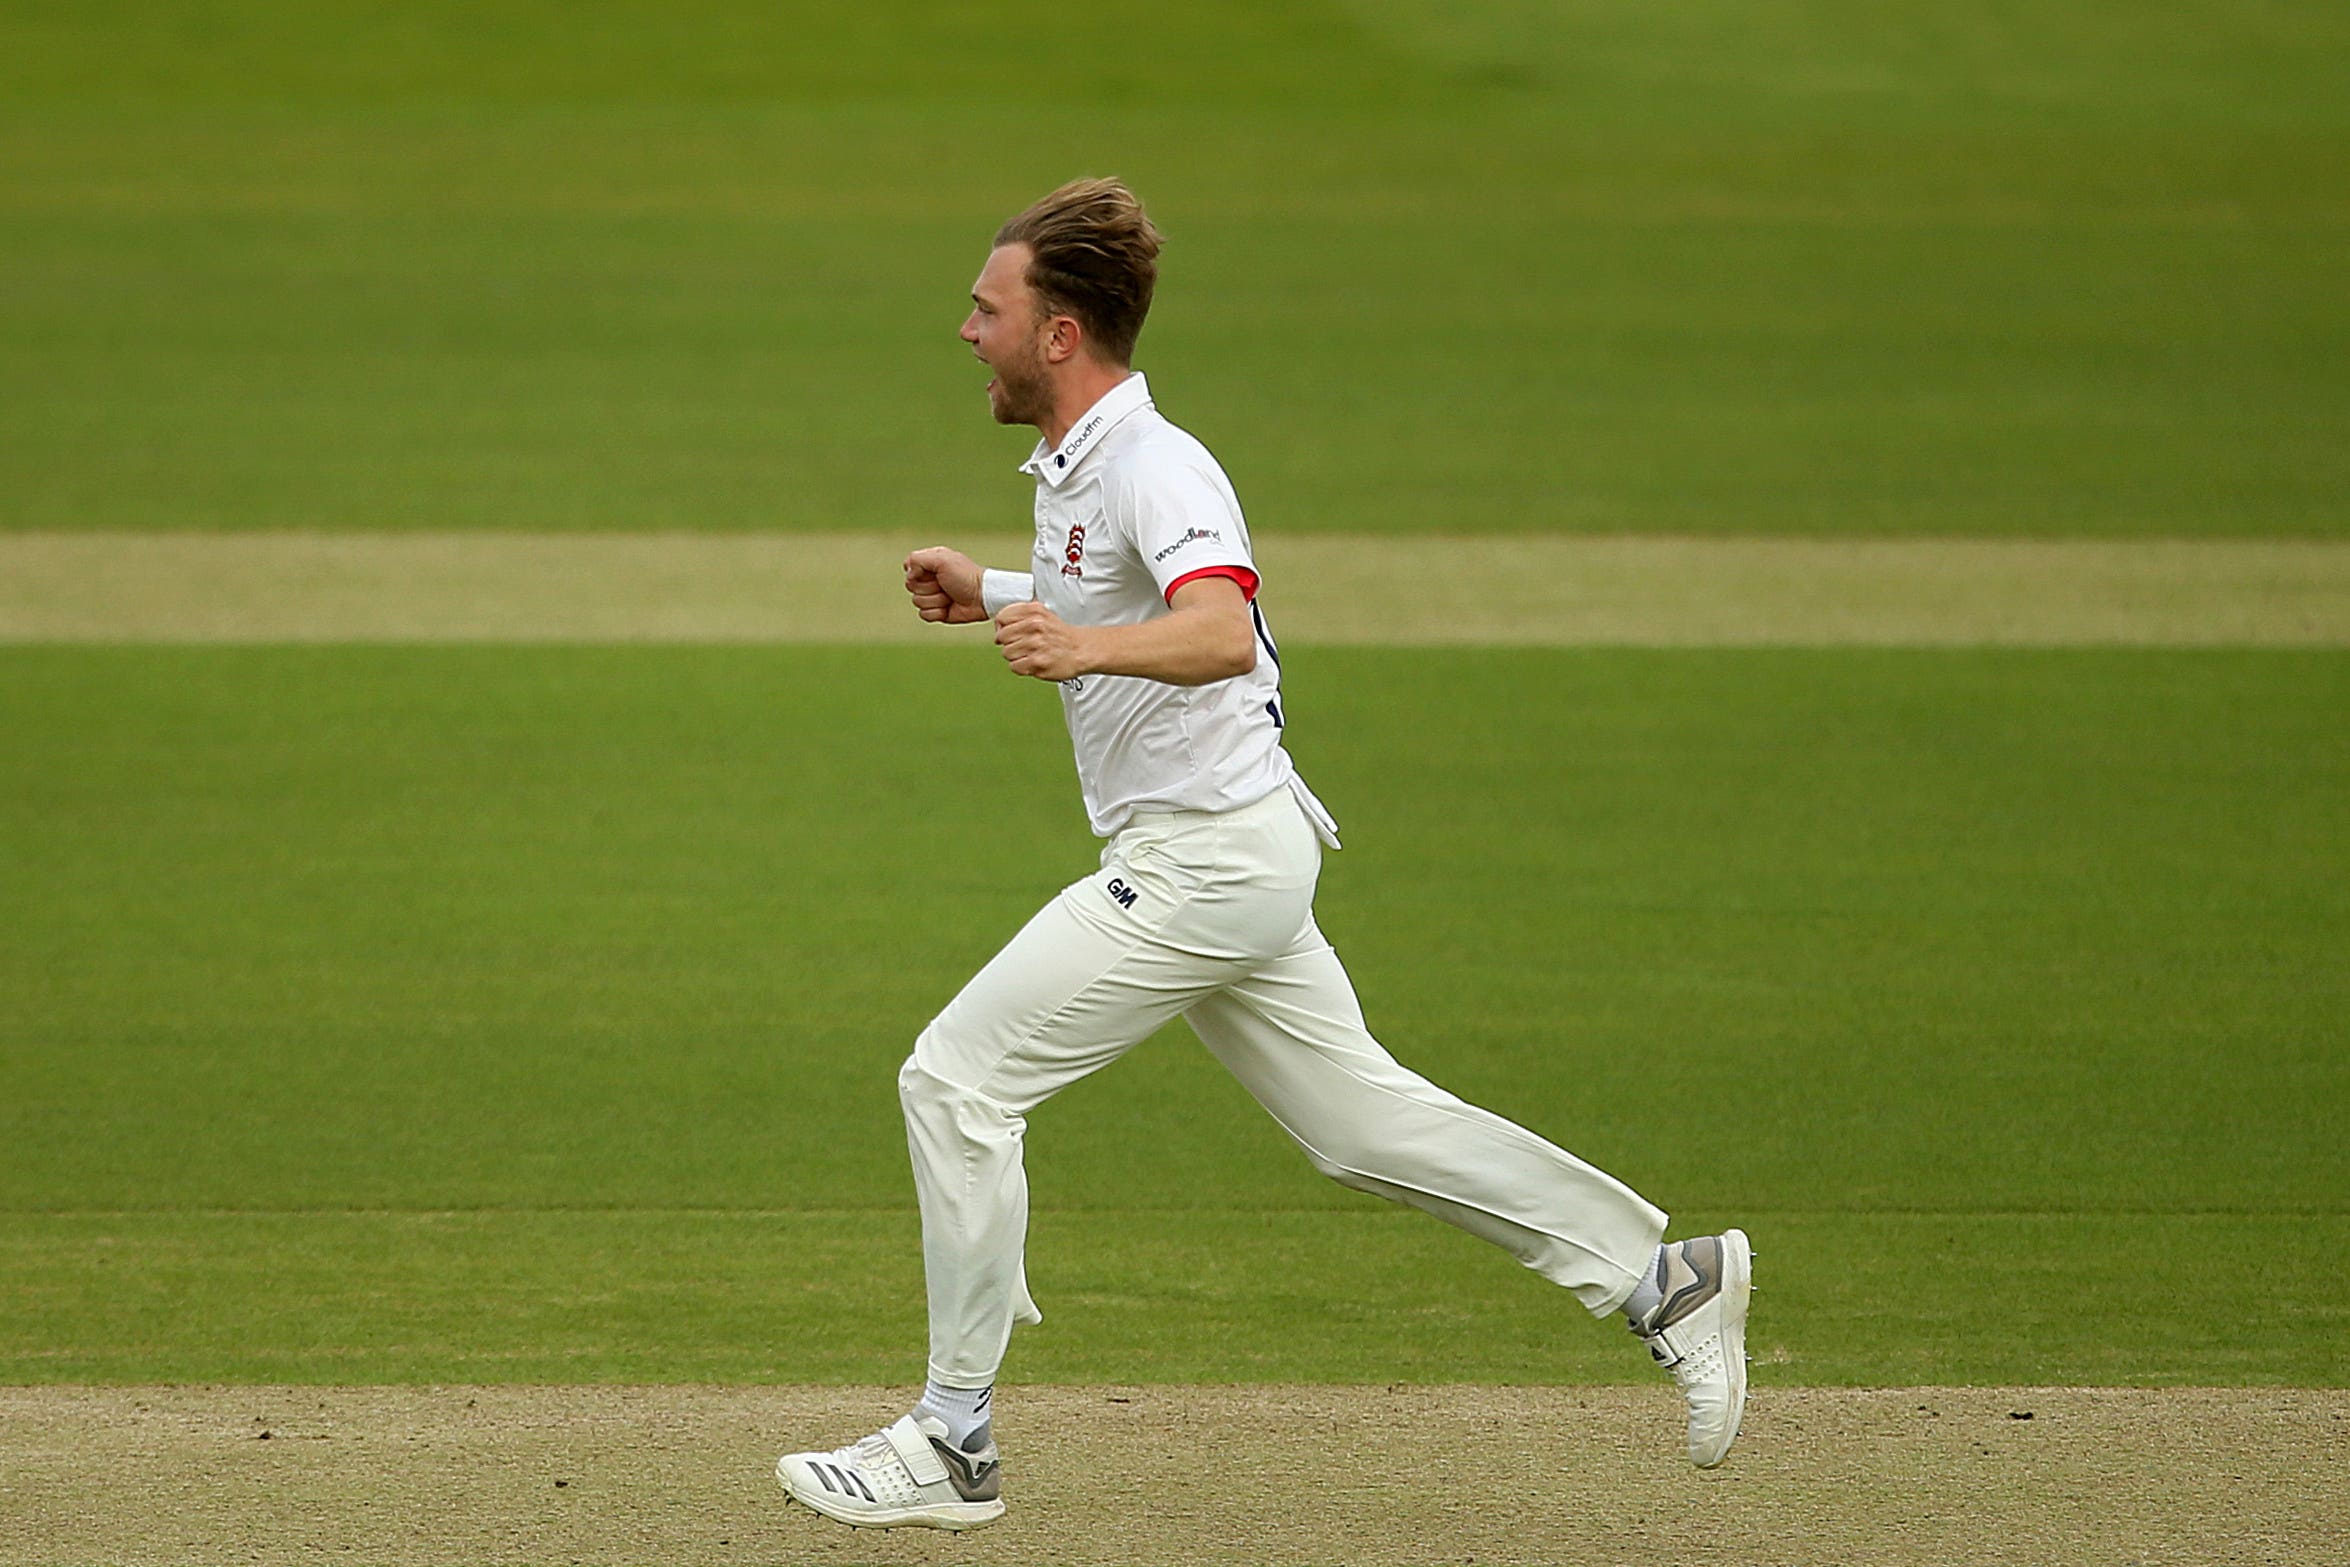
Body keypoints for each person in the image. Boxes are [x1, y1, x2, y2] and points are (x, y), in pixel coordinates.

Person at [775, 178, 1752, 1533]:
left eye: (986, 310)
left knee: (955, 1079)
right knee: (1360, 1125)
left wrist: (1079, 645)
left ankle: (952, 1440)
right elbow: (1110, 590)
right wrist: (999, 592)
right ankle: (1661, 1278)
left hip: (1205, 863)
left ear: (1057, 335)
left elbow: (1219, 630)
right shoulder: (1080, 465)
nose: (966, 332)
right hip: (1235, 850)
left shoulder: (1154, 461)